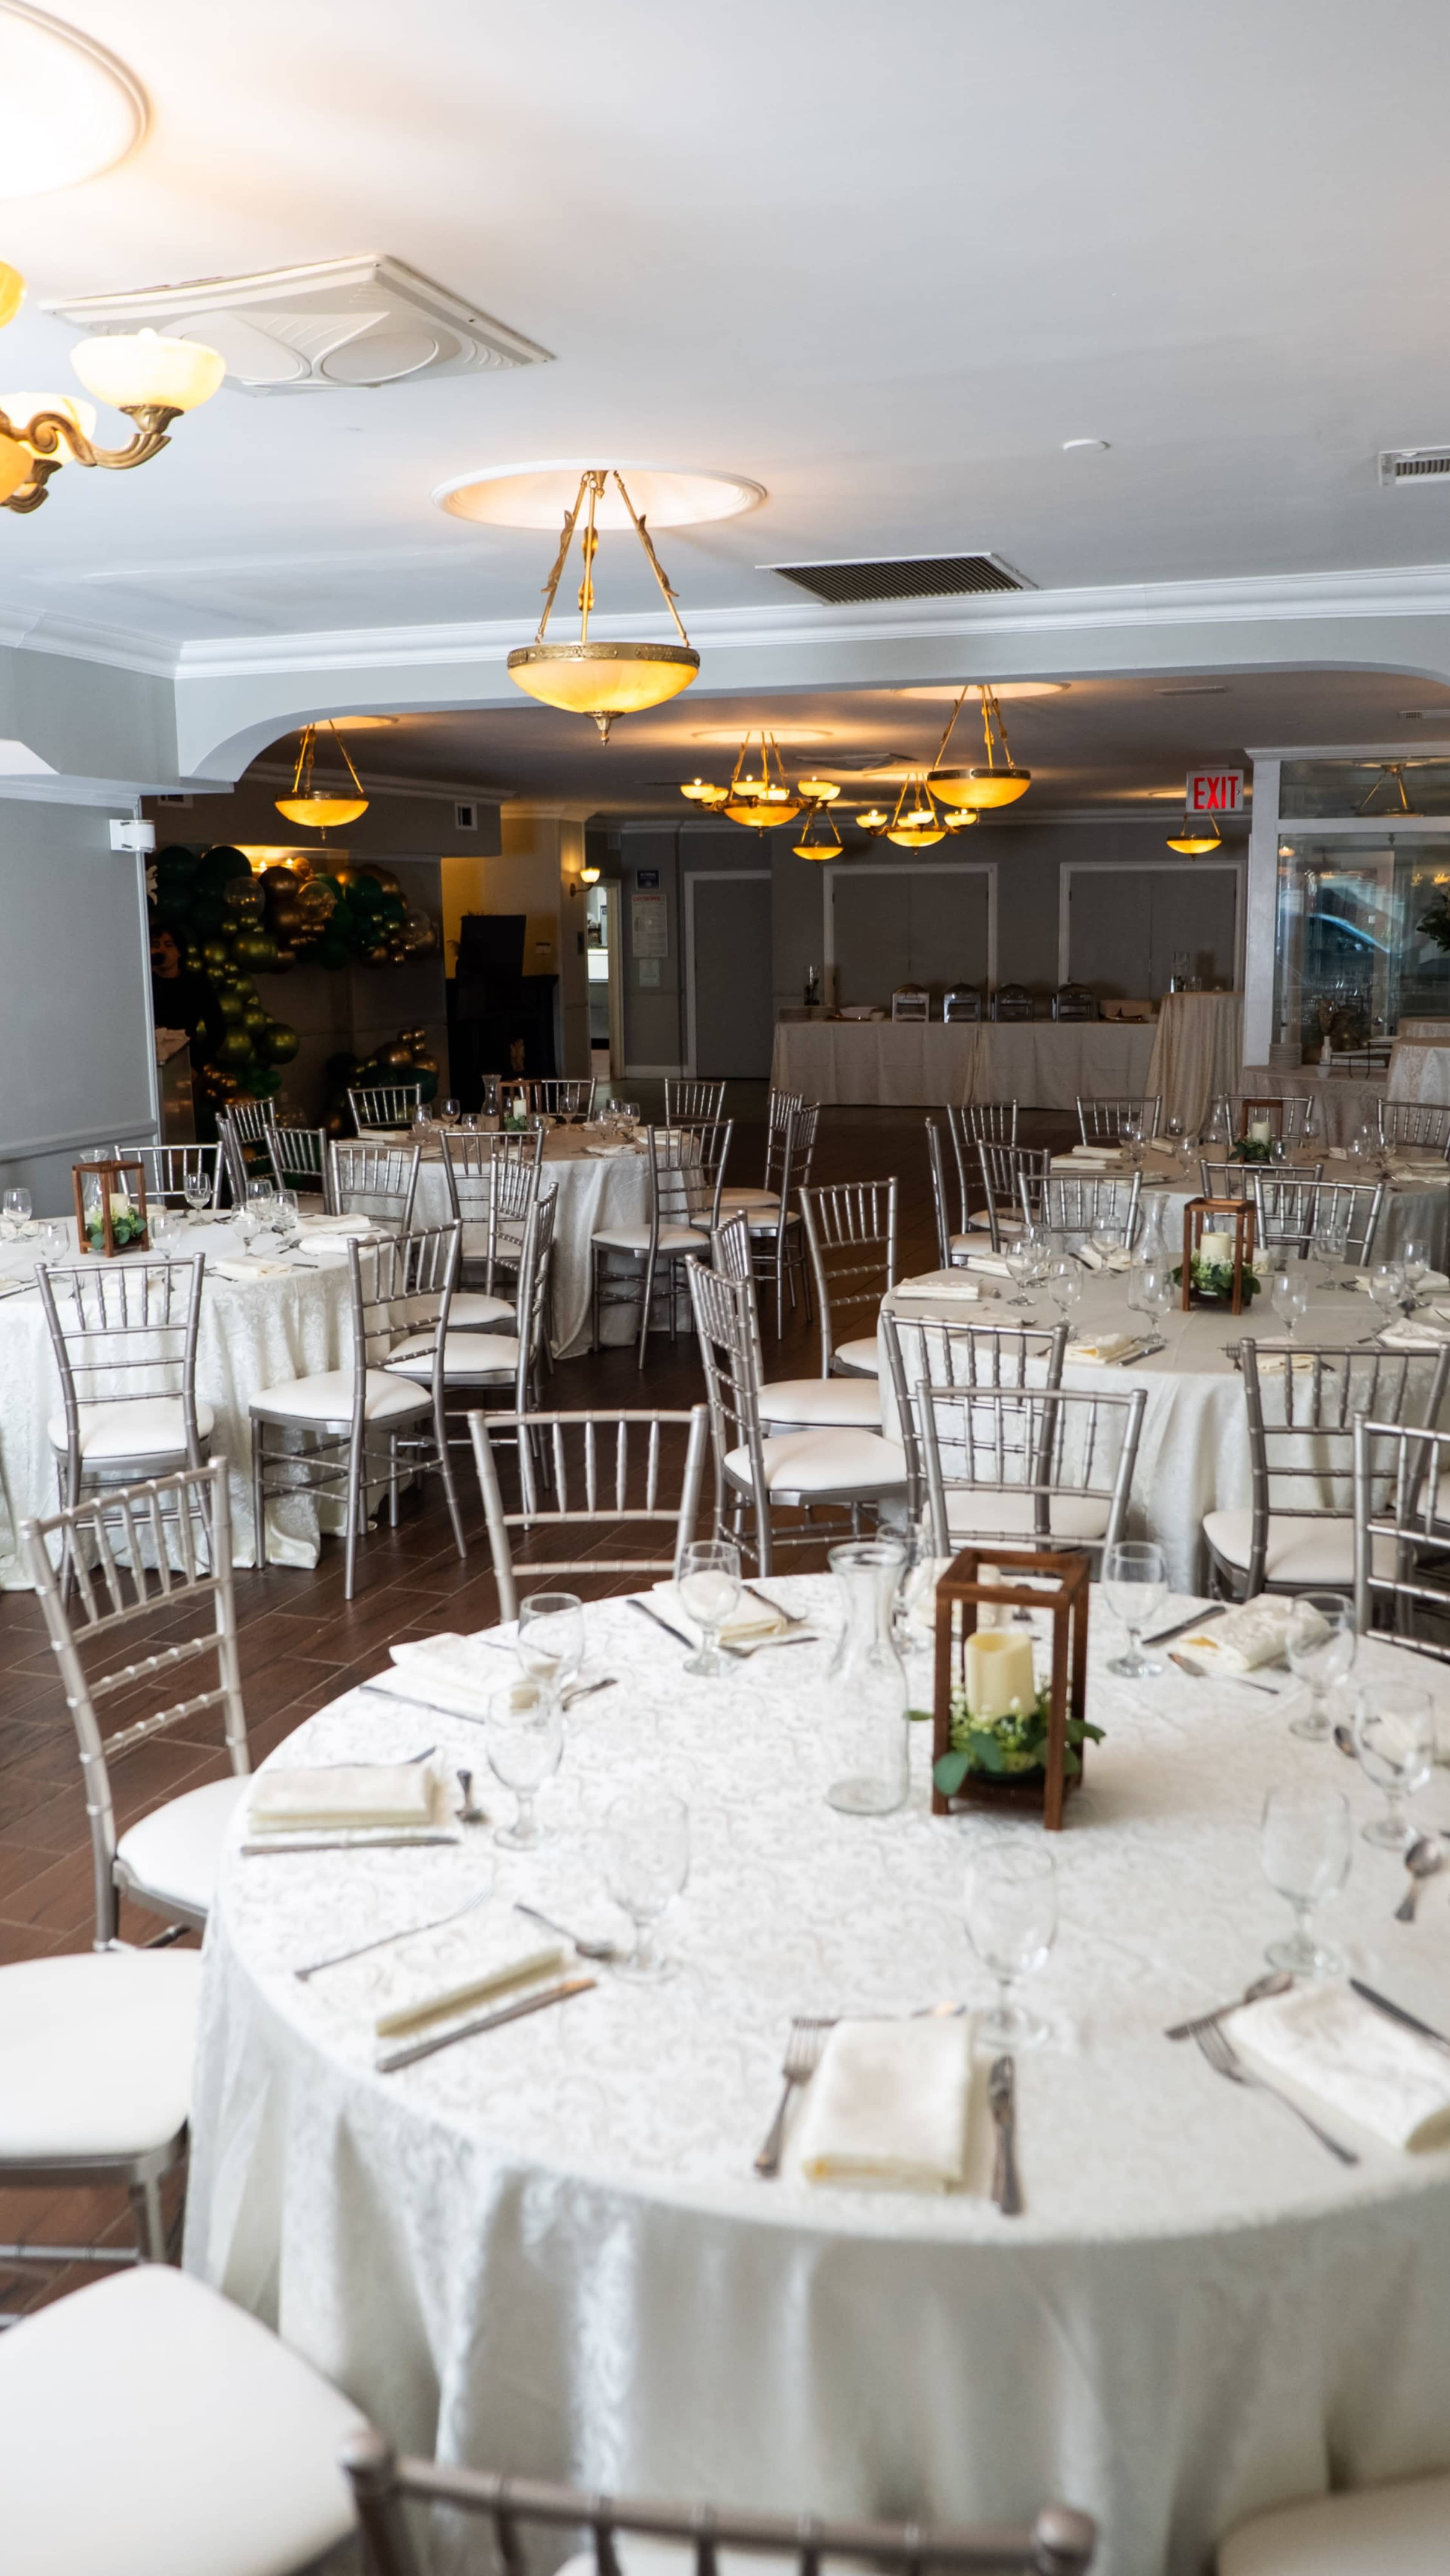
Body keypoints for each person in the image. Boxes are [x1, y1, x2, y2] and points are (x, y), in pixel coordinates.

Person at [150, 925, 224, 1055]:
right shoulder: (144, 984)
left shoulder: (197, 984)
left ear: (180, 951)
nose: (161, 950)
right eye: (156, 945)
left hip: (185, 1058)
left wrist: (197, 1064)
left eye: (169, 945)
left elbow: (217, 1030)